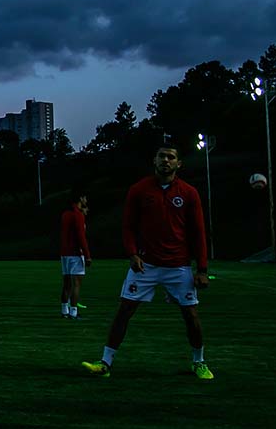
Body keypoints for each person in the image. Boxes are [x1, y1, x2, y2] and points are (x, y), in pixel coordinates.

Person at [82, 144, 213, 380]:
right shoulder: (139, 190)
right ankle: (105, 363)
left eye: (171, 157)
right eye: (162, 156)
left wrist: (201, 269)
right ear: (154, 160)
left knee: (191, 315)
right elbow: (128, 226)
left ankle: (199, 362)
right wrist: (132, 254)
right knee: (124, 310)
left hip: (179, 266)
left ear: (178, 164)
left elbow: (198, 233)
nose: (166, 161)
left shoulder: (189, 193)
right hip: (146, 265)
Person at [59, 190, 91, 319]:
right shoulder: (78, 215)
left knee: (66, 284)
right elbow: (81, 237)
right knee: (76, 284)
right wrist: (87, 255)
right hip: (75, 253)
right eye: (84, 197)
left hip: (64, 253)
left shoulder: (65, 214)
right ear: (80, 199)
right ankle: (74, 312)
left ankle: (64, 310)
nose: (86, 200)